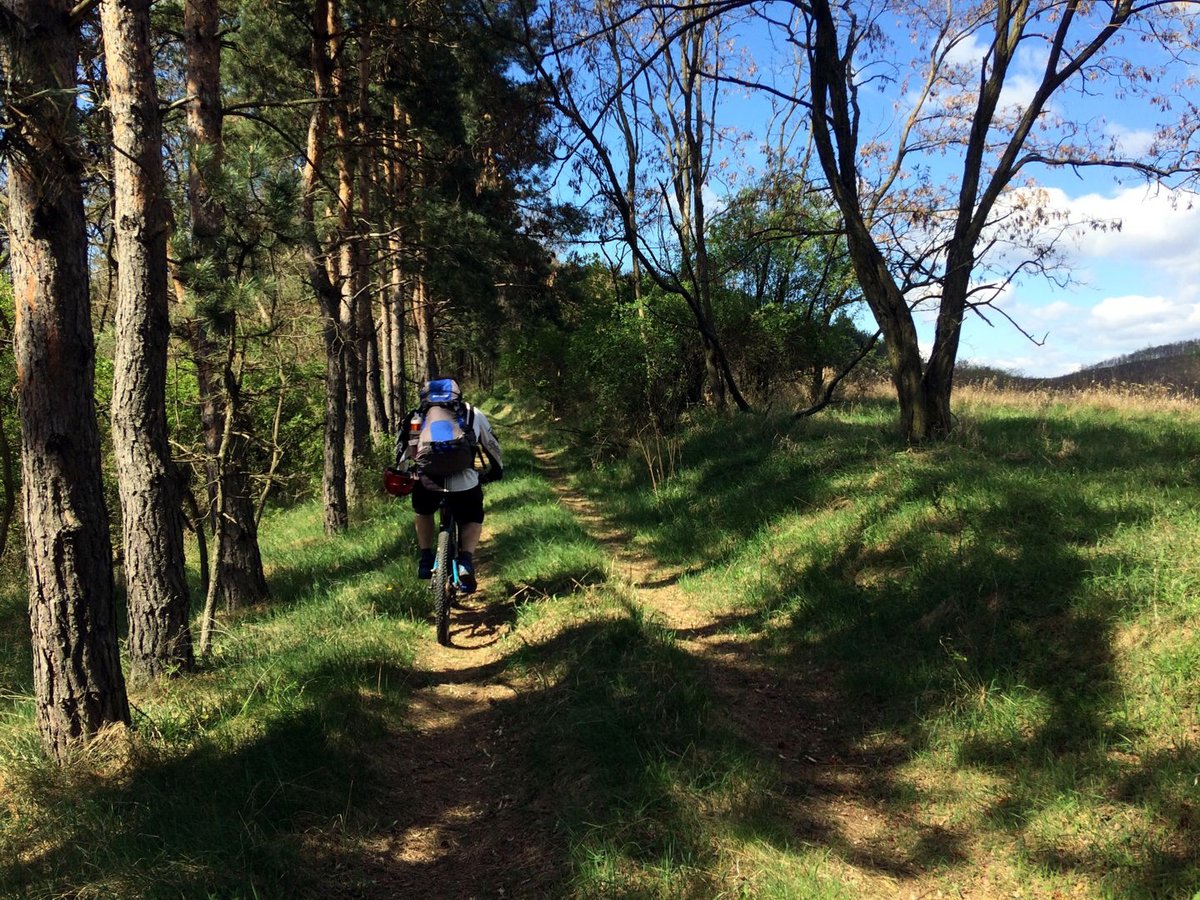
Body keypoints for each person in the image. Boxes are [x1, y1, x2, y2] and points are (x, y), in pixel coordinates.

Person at [394, 376, 502, 593]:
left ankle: (426, 558)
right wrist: (496, 470)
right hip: (465, 482)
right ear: (457, 397)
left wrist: (404, 474)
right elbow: (491, 444)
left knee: (423, 512)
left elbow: (402, 451)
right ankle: (465, 561)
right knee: (472, 517)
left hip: (427, 482)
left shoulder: (416, 416)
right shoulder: (471, 413)